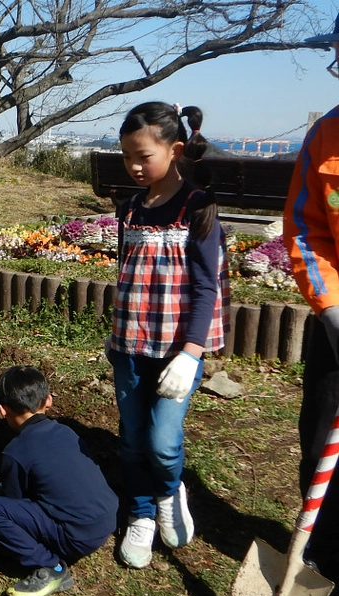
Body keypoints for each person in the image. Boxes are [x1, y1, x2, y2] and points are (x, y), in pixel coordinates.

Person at [106, 102, 229, 569]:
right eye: (126, 157)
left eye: (143, 156)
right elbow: (128, 275)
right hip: (130, 346)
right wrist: (115, 335)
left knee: (162, 441)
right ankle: (140, 513)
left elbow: (207, 287)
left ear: (175, 150)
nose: (134, 166)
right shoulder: (131, 210)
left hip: (177, 352)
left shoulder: (197, 209)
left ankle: (169, 490)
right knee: (133, 436)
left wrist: (191, 353)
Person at [0, 366, 117, 596]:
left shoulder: (15, 452)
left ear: (2, 410)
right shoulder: (67, 431)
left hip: (76, 537)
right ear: (48, 400)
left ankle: (51, 568)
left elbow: (14, 502)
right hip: (107, 519)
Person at [282, 15, 339, 580]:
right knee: (322, 438)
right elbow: (305, 227)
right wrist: (332, 308)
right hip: (336, 325)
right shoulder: (327, 134)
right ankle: (321, 556)